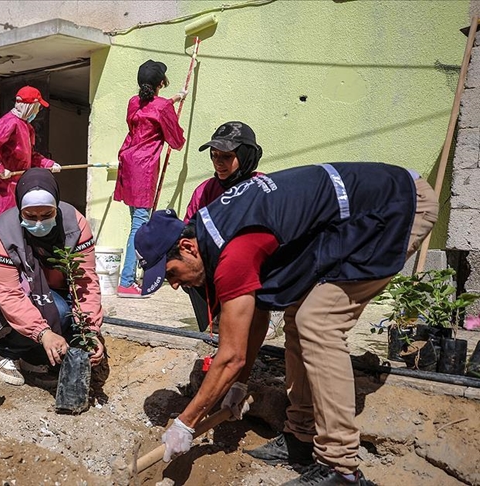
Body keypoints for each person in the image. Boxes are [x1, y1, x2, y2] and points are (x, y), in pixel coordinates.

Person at [134, 162, 437, 485]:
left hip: (395, 207)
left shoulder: (232, 253)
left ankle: (341, 468)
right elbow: (257, 315)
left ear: (187, 247)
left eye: (171, 274)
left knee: (318, 322)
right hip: (355, 217)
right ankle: (301, 438)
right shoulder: (214, 235)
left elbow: (231, 355)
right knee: (297, 315)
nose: (176, 285)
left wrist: (186, 423)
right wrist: (239, 384)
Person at [0, 168, 105, 386]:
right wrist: (42, 333)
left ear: (56, 207)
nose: (39, 223)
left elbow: (84, 281)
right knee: (57, 311)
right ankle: (7, 352)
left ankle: (33, 358)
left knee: (66, 311)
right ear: (20, 209)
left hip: (54, 288)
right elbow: (8, 293)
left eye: (47, 215)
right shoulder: (4, 233)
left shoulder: (75, 225)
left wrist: (90, 331)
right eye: (31, 216)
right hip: (16, 293)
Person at [114, 59, 186, 298]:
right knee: (140, 224)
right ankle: (126, 281)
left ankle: (130, 277)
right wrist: (172, 111)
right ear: (160, 83)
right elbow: (176, 142)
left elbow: (150, 110)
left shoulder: (134, 102)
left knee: (136, 218)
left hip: (128, 162)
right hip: (144, 169)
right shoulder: (163, 108)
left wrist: (174, 100)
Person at [183, 121, 264, 333]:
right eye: (214, 155)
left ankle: (264, 311)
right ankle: (216, 316)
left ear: (246, 156)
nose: (218, 163)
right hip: (218, 267)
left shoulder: (262, 188)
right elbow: (186, 231)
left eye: (226, 156)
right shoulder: (205, 191)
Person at [0, 86, 60, 283]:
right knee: (0, 228)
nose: (38, 111)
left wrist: (48, 164)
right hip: (2, 186)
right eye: (37, 107)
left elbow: (31, 156)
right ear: (29, 106)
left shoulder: (25, 127)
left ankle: (9, 267)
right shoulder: (9, 123)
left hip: (15, 184)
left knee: (11, 227)